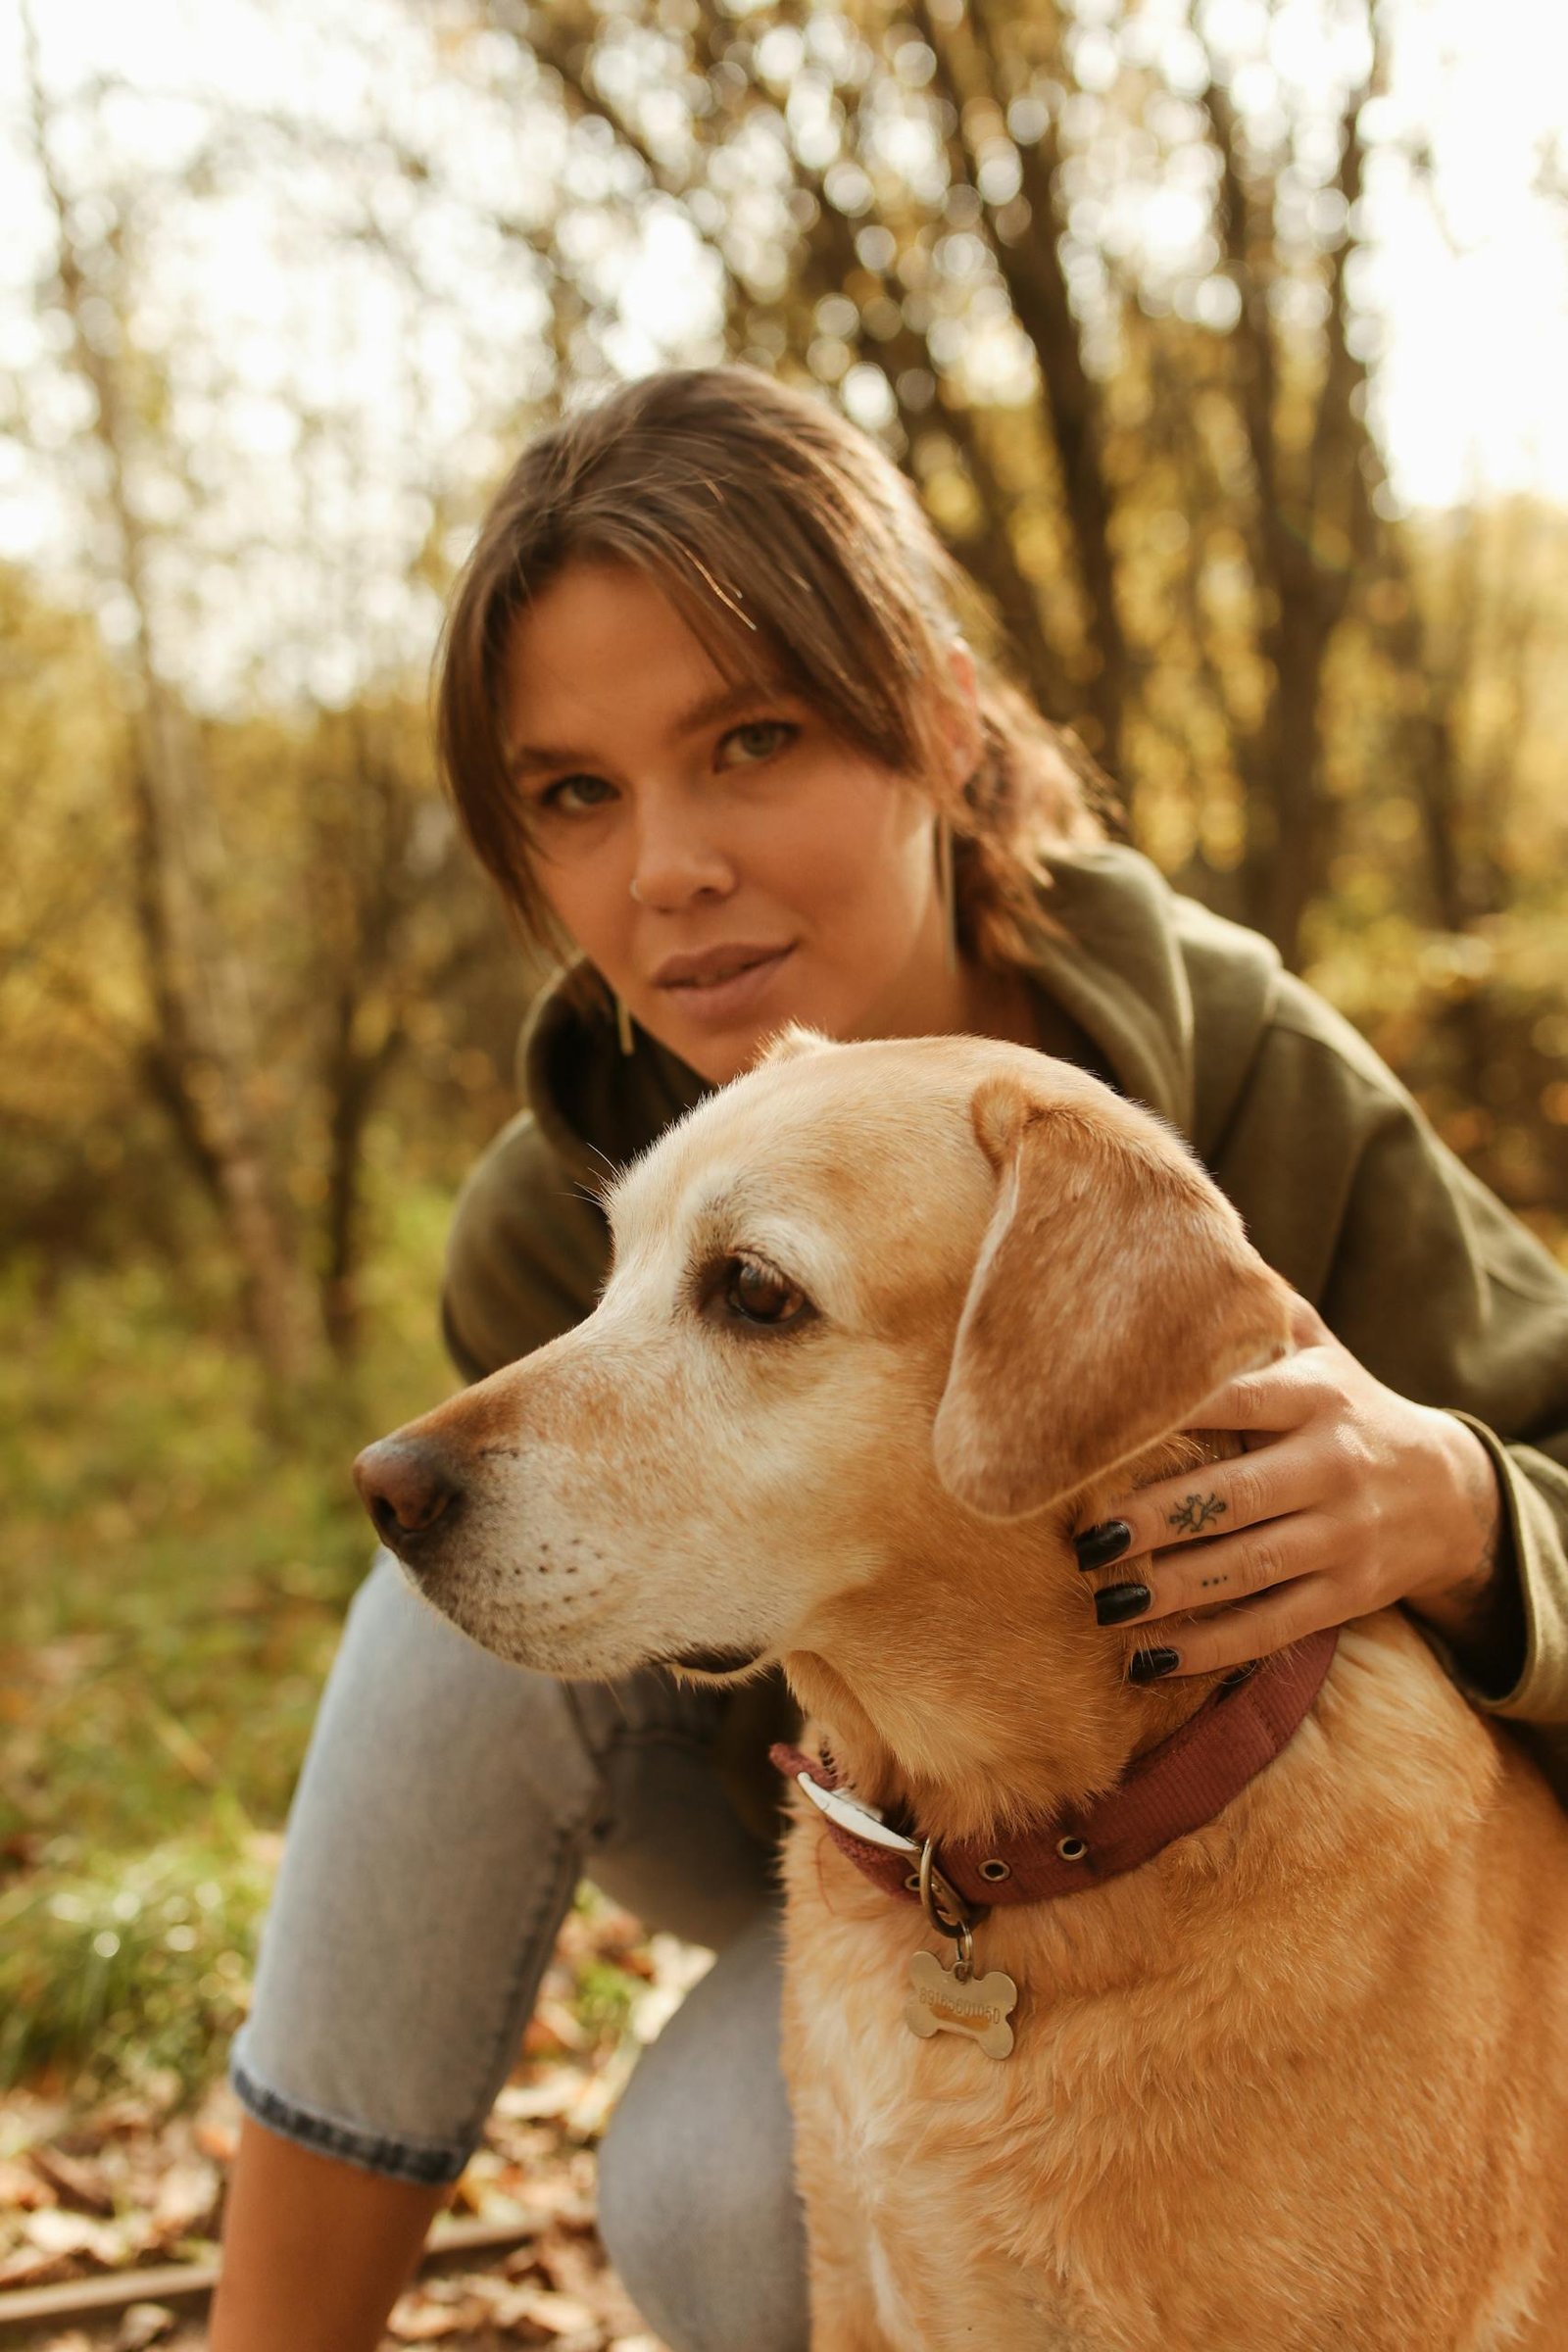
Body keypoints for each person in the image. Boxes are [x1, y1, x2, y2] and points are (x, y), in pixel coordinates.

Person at [210, 366, 1568, 2352]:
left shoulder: (1235, 1075)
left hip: (1235, 1815)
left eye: (747, 742)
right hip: (835, 1813)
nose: (664, 867)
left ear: (939, 725)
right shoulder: (559, 1193)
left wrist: (1454, 1504)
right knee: (442, 1635)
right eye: (573, 795)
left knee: (714, 2206)